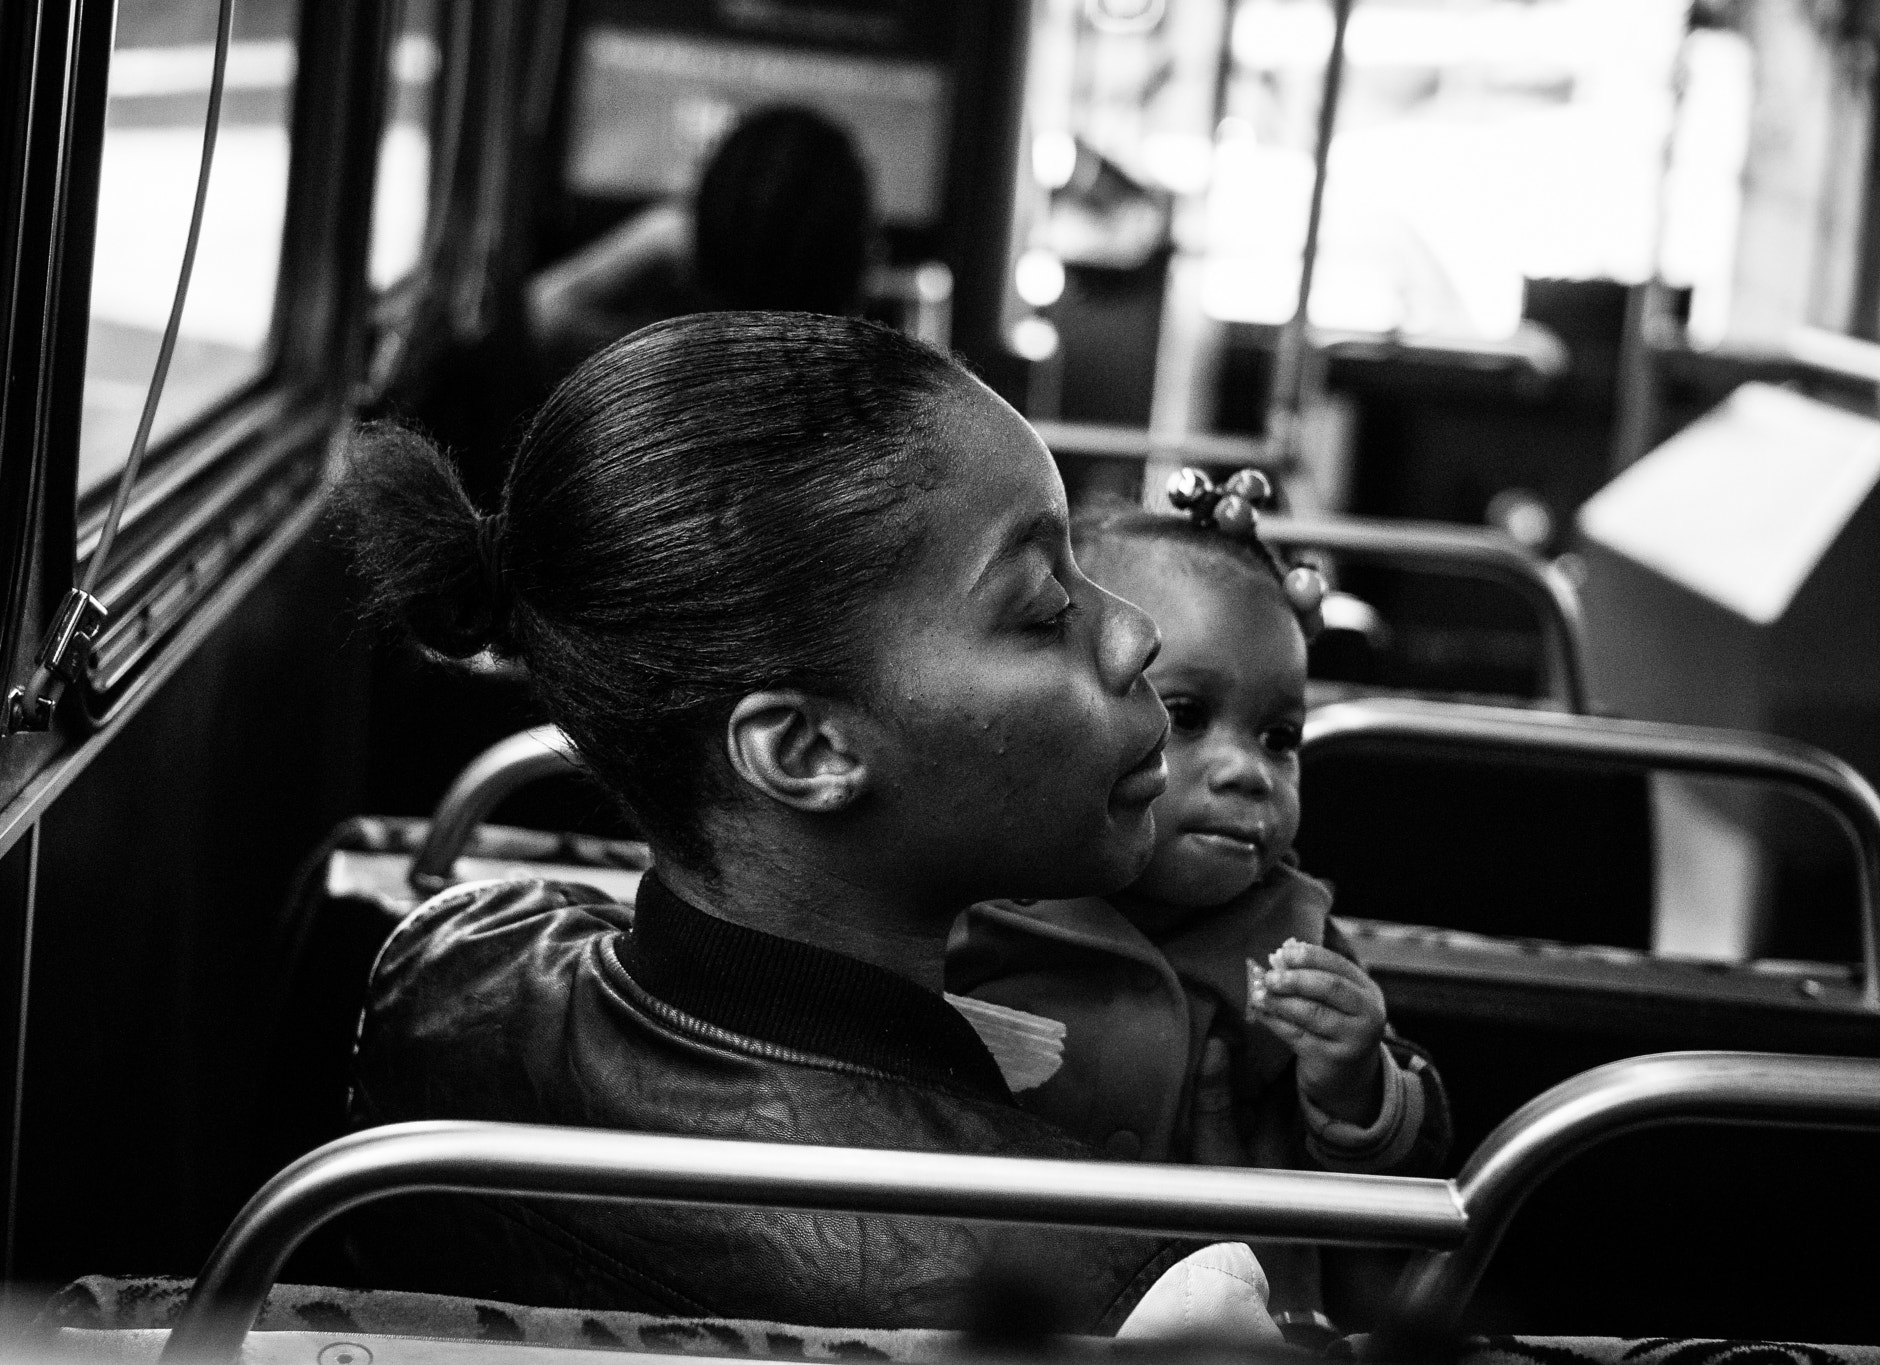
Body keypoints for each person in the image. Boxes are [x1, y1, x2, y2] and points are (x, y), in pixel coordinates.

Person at [331, 311, 1203, 1332]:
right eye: (1044, 608)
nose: (1137, 633)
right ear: (806, 754)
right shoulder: (1101, 1279)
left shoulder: (450, 965)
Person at [947, 470, 1453, 1318]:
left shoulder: (1293, 931)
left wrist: (1355, 1084)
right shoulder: (978, 891)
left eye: (1280, 736)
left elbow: (1411, 1177)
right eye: (1185, 713)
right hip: (1007, 1318)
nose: (1247, 771)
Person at [526, 106, 876, 378]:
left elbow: (532, 316)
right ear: (860, 256)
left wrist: (652, 236)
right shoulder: (882, 398)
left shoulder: (643, 366)